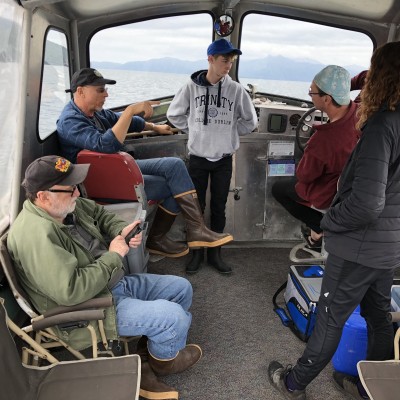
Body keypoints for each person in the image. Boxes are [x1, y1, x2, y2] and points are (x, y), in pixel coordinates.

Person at [7, 155, 203, 400]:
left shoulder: (63, 206)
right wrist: (113, 256)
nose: (77, 193)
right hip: (89, 309)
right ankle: (166, 362)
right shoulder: (36, 237)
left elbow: (99, 213)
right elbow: (72, 292)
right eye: (70, 189)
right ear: (43, 196)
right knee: (173, 318)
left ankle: (146, 355)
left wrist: (119, 230)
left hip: (109, 285)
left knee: (181, 289)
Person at [268, 41, 400, 400]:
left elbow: (367, 204)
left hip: (358, 244)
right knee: (378, 315)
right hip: (390, 245)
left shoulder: (381, 126)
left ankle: (294, 383)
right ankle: (368, 383)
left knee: (330, 317)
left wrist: (328, 223)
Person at [56, 68, 233, 259]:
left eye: (105, 89)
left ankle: (196, 229)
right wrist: (131, 109)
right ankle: (159, 239)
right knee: (174, 185)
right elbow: (105, 145)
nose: (106, 94)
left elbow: (125, 121)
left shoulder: (94, 114)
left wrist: (155, 127)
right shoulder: (70, 121)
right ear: (80, 91)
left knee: (175, 167)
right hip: (101, 182)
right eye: (100, 90)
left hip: (117, 168)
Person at [167, 38, 257, 275]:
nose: (228, 65)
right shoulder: (190, 86)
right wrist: (195, 130)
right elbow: (174, 115)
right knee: (196, 208)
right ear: (210, 59)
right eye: (224, 60)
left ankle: (215, 253)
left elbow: (251, 121)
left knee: (219, 207)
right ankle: (196, 253)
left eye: (231, 61)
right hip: (197, 157)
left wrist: (229, 133)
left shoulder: (236, 90)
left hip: (223, 159)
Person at [271, 65, 360, 250]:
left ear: (327, 99)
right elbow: (369, 77)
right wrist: (342, 86)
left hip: (329, 193)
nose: (310, 95)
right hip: (351, 191)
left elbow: (305, 175)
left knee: (279, 189)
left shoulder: (322, 141)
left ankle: (319, 226)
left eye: (312, 93)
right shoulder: (361, 111)